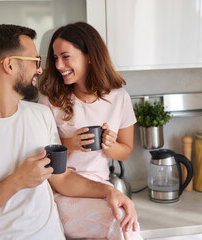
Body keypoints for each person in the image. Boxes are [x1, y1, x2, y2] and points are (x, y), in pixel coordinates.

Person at [0, 24, 138, 240]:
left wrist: (109, 192)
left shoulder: (41, 116)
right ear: (9, 65)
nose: (41, 69)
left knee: (126, 225)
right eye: (35, 61)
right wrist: (17, 181)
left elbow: (62, 179)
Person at [38, 22, 142, 239]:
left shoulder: (118, 97)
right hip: (59, 191)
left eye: (65, 56)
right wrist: (70, 143)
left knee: (126, 224)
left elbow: (126, 150)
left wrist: (110, 145)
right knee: (121, 224)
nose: (58, 65)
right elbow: (40, 154)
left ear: (90, 56)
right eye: (55, 58)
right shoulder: (50, 99)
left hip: (99, 187)